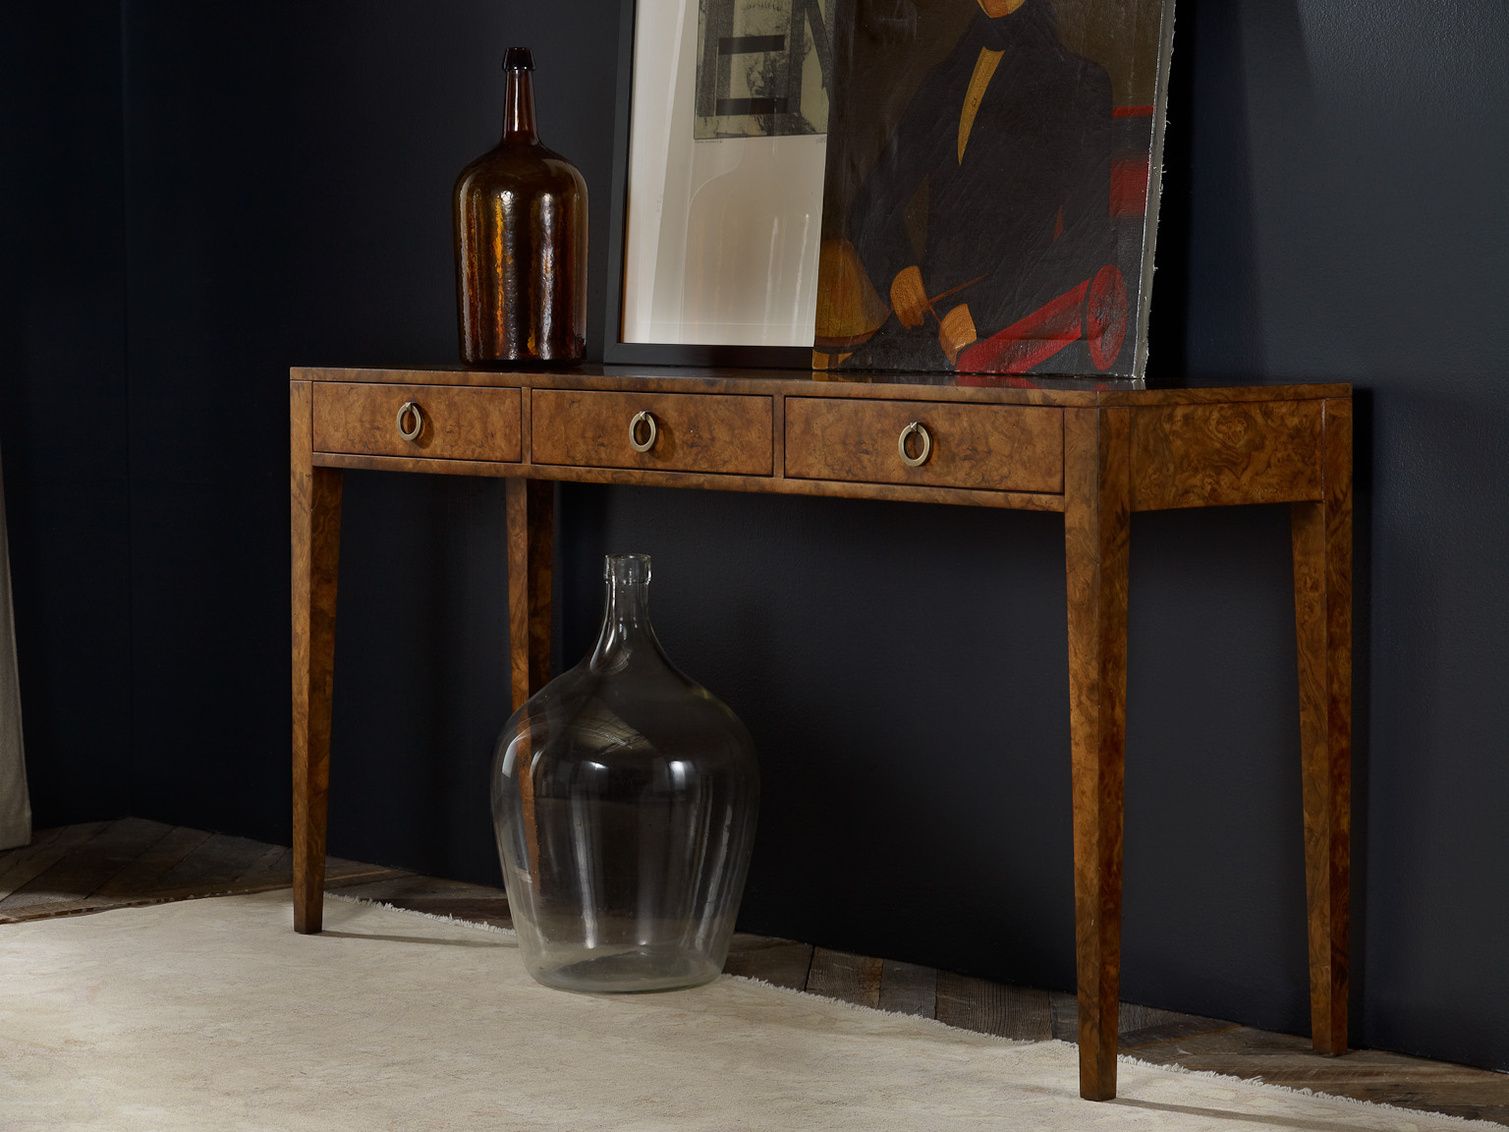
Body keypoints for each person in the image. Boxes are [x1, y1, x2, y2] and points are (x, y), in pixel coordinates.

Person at [843, 0, 1115, 371]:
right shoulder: (944, 79)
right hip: (924, 327)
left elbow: (1086, 244)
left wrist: (987, 313)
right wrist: (896, 271)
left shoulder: (1079, 84)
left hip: (1010, 331)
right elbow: (867, 205)